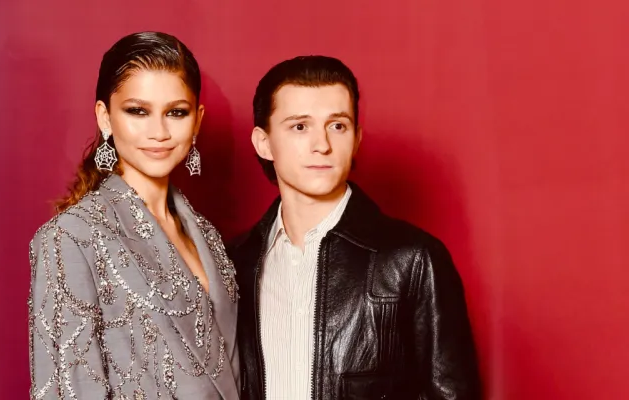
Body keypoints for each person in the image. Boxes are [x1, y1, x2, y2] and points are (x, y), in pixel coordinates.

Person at [230, 56, 481, 399]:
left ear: (357, 138)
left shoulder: (414, 258)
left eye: (337, 126)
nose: (322, 145)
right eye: (300, 127)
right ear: (264, 143)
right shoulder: (234, 262)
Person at [28, 31, 240, 400]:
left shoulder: (207, 235)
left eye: (176, 112)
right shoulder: (72, 236)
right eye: (137, 111)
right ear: (105, 117)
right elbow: (67, 389)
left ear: (197, 121)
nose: (159, 132)